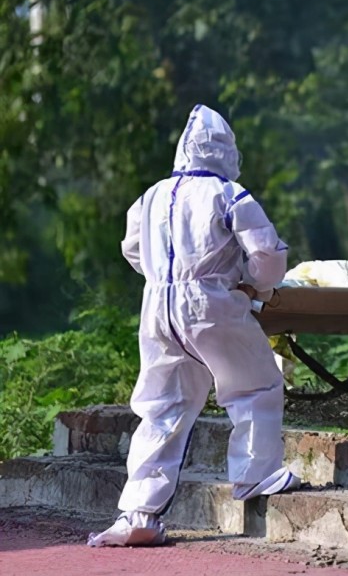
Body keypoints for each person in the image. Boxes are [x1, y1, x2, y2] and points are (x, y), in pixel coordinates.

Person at [88, 105, 300, 548]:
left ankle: (139, 513)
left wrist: (162, 277)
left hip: (158, 307)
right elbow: (268, 255)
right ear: (225, 151)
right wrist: (251, 287)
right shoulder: (230, 194)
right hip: (212, 303)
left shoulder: (150, 196)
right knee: (256, 386)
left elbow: (131, 248)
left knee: (161, 409)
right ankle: (255, 476)